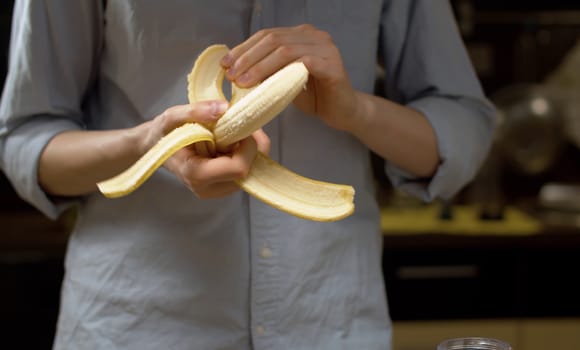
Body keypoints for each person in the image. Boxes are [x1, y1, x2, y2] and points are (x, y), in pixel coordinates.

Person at [0, 1, 495, 349]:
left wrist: (355, 110)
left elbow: (463, 129)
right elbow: (25, 139)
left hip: (331, 324)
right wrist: (149, 143)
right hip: (136, 326)